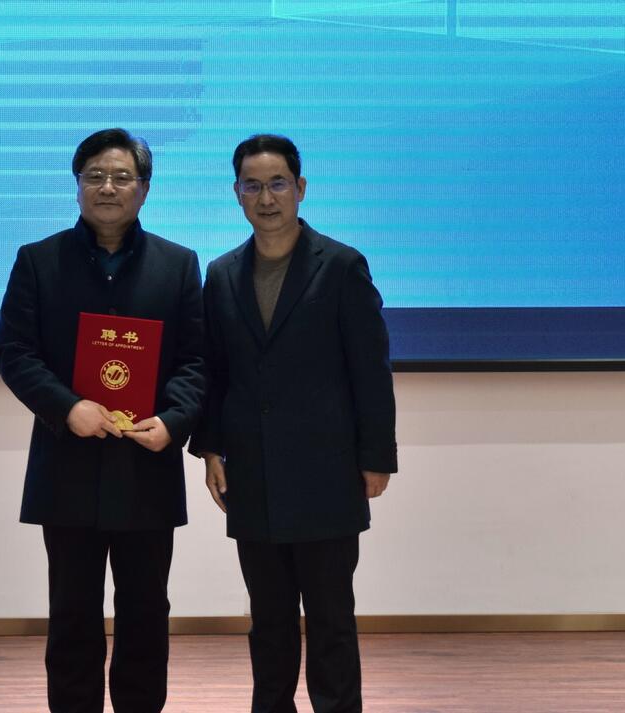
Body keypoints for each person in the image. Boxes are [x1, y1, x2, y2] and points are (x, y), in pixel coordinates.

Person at [0, 128, 204, 713]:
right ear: (78, 184)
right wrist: (68, 407)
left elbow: (196, 360)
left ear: (144, 188)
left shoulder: (178, 265)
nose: (107, 187)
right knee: (72, 615)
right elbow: (14, 351)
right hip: (68, 467)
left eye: (121, 177)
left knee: (146, 613)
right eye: (95, 176)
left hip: (146, 466)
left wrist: (174, 420)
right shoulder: (38, 261)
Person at [190, 134, 397, 713]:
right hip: (252, 475)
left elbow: (370, 370)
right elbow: (215, 371)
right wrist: (210, 449)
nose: (266, 198)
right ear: (236, 193)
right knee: (269, 621)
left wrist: (376, 457)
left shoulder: (342, 266)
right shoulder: (222, 273)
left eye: (278, 183)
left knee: (331, 619)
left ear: (301, 188)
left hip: (327, 474)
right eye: (252, 186)